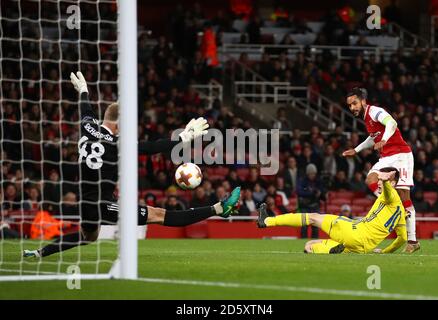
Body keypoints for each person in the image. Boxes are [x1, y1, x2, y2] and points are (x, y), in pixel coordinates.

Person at [23, 71, 241, 259]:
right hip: (101, 203)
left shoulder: (87, 127)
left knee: (87, 237)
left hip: (86, 203)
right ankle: (219, 208)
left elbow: (85, 110)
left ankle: (42, 252)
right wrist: (182, 138)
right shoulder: (118, 143)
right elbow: (152, 147)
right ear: (119, 125)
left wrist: (83, 91)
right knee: (158, 214)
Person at [257, 168, 407, 254]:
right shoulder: (399, 211)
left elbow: (388, 192)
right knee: (308, 245)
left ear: (392, 183)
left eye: (381, 180)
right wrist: (384, 252)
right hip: (361, 246)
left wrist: (386, 180)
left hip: (353, 231)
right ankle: (331, 250)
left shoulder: (391, 194)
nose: (378, 182)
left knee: (313, 218)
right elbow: (403, 239)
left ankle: (268, 221)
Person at [342, 87, 419, 253]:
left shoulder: (375, 111)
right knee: (370, 179)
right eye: (349, 105)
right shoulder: (366, 118)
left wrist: (384, 140)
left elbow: (392, 123)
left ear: (363, 101)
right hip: (386, 157)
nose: (352, 107)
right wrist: (356, 150)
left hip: (402, 155)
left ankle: (412, 241)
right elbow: (372, 137)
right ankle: (391, 202)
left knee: (405, 196)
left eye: (354, 103)